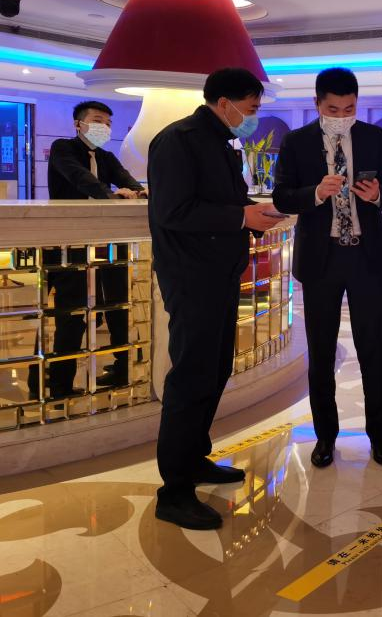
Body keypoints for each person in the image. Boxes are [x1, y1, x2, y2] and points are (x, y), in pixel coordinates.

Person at [148, 67, 284, 530]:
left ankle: (194, 459)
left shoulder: (222, 141)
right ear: (224, 102)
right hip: (191, 277)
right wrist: (242, 217)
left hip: (220, 274)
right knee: (190, 378)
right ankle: (174, 490)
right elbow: (173, 211)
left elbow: (225, 201)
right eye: (250, 107)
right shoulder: (178, 140)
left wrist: (251, 214)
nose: (254, 116)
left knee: (215, 369)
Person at [273, 67, 382, 470]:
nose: (342, 116)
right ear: (317, 104)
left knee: (373, 348)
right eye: (333, 109)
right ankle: (325, 437)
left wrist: (378, 194)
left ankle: (379, 435)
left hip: (366, 256)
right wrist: (314, 193)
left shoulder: (373, 136)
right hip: (321, 258)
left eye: (349, 109)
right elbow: (282, 196)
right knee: (321, 351)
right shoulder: (296, 142)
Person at [35, 101, 146, 399]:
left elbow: (126, 179)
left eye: (108, 123)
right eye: (98, 120)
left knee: (118, 307)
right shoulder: (63, 149)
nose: (104, 127)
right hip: (70, 243)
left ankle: (122, 368)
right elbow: (81, 179)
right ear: (78, 124)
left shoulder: (107, 157)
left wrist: (140, 191)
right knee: (71, 314)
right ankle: (59, 385)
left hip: (108, 241)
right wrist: (111, 196)